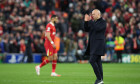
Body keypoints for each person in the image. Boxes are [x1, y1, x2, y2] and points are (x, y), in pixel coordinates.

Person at [84, 9, 106, 84]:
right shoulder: (93, 22)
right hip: (93, 45)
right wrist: (86, 21)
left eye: (93, 14)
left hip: (98, 45)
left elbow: (97, 29)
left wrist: (90, 21)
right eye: (92, 14)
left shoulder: (103, 22)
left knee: (92, 61)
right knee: (98, 62)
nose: (92, 15)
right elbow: (86, 29)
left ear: (98, 14)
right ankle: (101, 80)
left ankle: (99, 79)